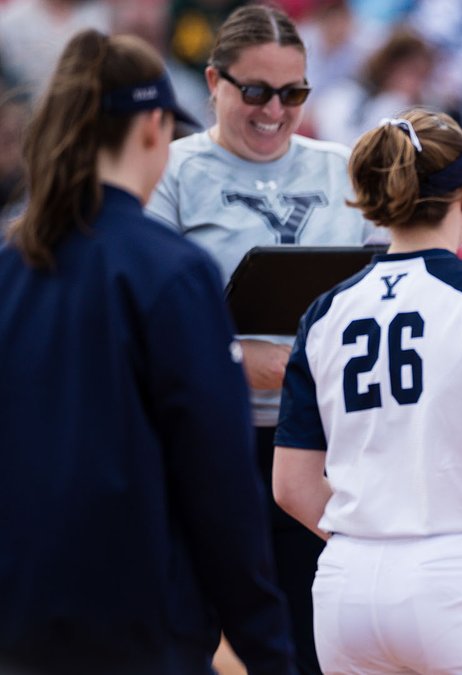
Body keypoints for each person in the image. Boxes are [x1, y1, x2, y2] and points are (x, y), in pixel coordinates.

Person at [0, 29, 293, 674]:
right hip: (136, 625)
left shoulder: (10, 268)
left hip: (19, 623)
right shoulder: (169, 270)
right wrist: (268, 648)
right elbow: (218, 481)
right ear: (154, 126)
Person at [271, 108, 462, 674]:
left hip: (346, 585)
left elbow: (292, 486)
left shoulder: (324, 312)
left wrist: (371, 540)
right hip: (460, 575)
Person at [145, 6, 377, 673]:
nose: (276, 109)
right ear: (214, 81)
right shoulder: (169, 170)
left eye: (294, 92)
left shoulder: (344, 167)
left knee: (312, 644)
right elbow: (153, 319)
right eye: (256, 91)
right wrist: (238, 361)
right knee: (182, 638)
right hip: (204, 441)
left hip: (319, 441)